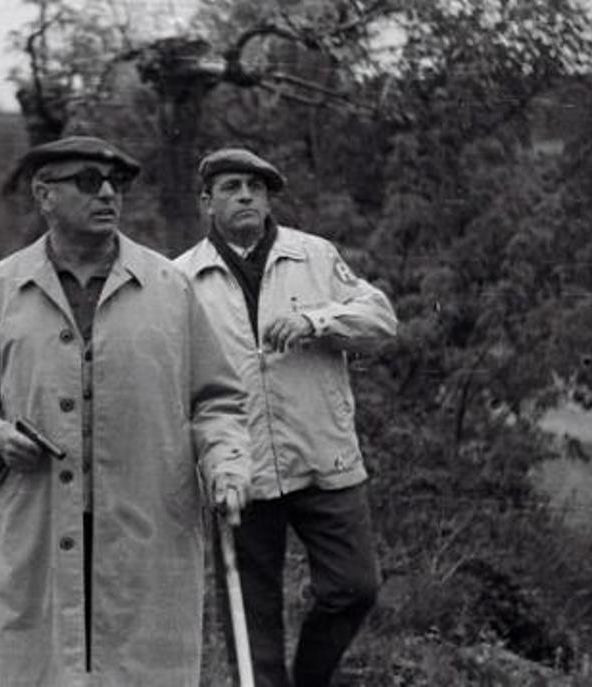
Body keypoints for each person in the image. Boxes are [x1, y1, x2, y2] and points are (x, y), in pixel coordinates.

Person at [0, 136, 252, 684]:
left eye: (117, 184)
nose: (107, 193)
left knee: (140, 668)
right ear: (45, 195)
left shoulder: (169, 287)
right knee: (40, 667)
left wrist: (226, 462)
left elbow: (217, 398)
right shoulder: (0, 289)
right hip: (37, 517)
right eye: (87, 181)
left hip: (147, 519)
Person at [175, 148, 398, 686]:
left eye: (256, 186)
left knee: (354, 587)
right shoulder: (180, 277)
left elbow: (381, 321)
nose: (247, 195)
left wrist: (316, 320)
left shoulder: (314, 256)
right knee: (251, 615)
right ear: (207, 202)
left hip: (325, 457)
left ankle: (311, 680)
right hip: (240, 469)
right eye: (232, 187)